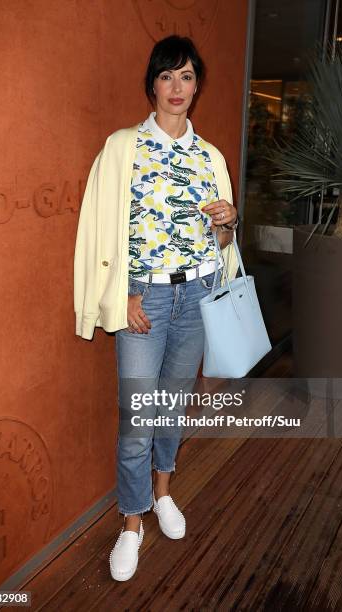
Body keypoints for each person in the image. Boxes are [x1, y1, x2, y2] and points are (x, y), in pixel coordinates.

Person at [74, 34, 239, 582]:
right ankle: (130, 524)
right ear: (152, 84)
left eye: (187, 76)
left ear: (197, 86)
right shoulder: (123, 147)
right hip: (146, 300)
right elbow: (98, 230)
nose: (177, 87)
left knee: (170, 409)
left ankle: (163, 493)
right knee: (137, 422)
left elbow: (218, 246)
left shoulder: (210, 156)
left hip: (196, 296)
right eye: (167, 76)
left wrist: (225, 226)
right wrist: (121, 295)